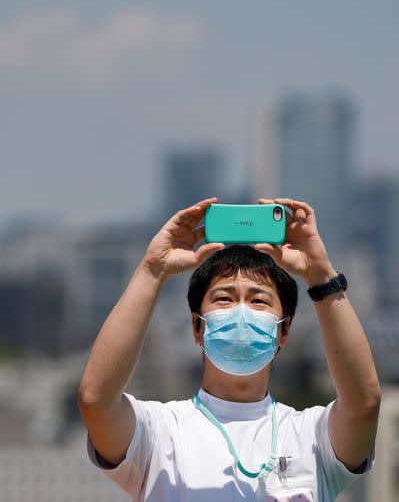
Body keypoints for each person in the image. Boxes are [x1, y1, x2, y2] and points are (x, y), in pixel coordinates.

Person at [78, 197, 381, 501]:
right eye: (224, 298)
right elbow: (95, 399)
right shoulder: (159, 432)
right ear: (198, 327)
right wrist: (152, 270)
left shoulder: (311, 437)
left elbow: (364, 404)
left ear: (283, 330)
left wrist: (321, 274)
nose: (241, 311)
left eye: (259, 300)